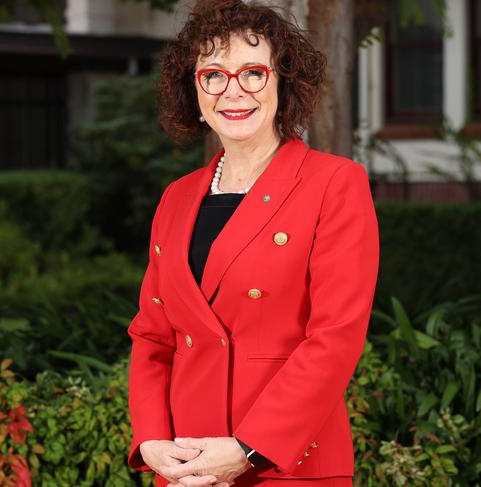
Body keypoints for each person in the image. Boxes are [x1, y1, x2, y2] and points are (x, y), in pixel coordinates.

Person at [126, 1, 380, 486]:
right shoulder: (176, 198)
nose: (232, 90)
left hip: (285, 461)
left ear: (283, 83)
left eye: (253, 72)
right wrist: (153, 439)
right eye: (213, 75)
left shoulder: (335, 183)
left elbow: (335, 338)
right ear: (194, 91)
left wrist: (249, 447)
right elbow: (153, 335)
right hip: (185, 465)